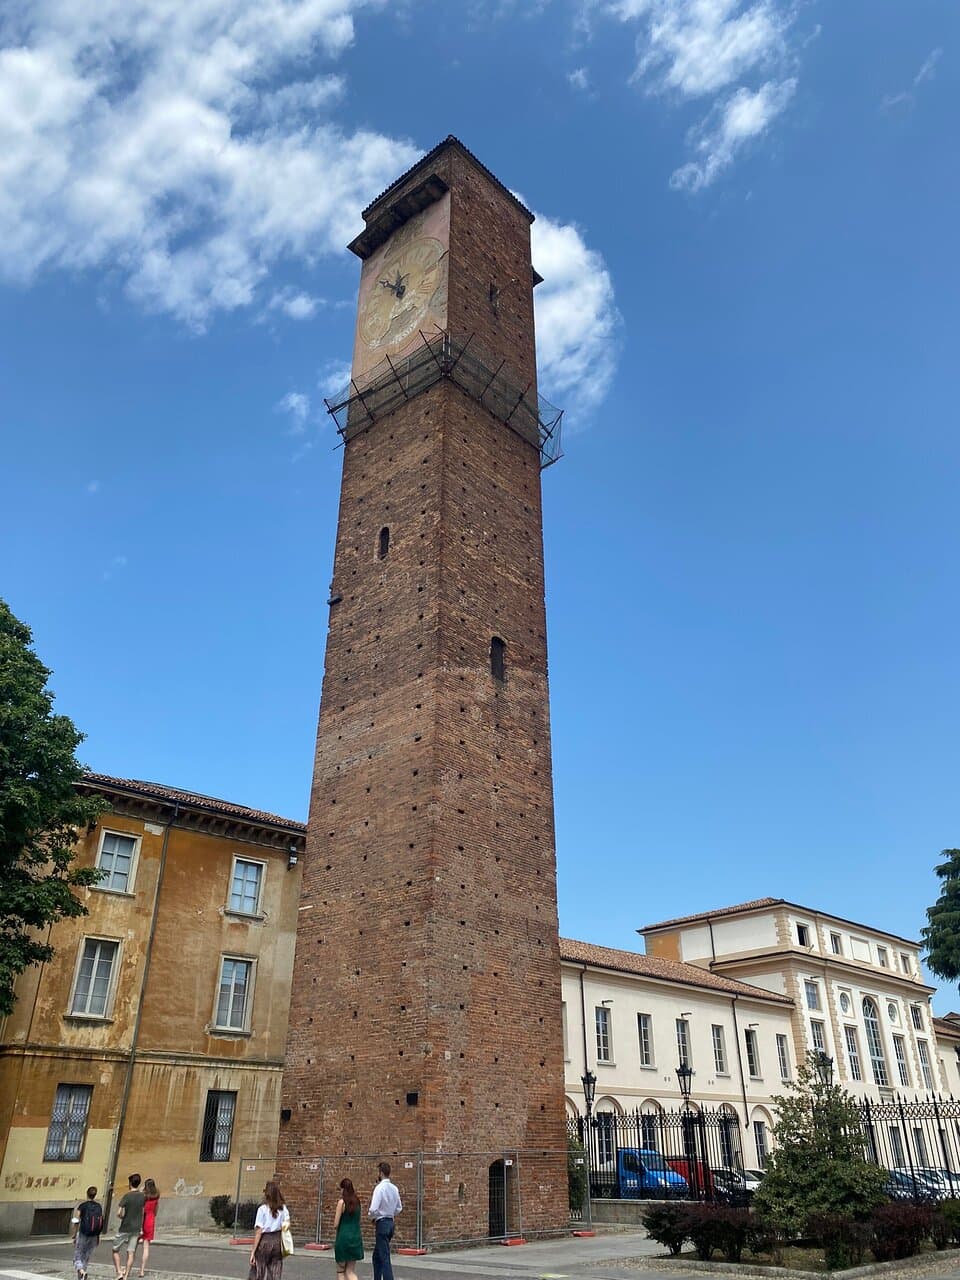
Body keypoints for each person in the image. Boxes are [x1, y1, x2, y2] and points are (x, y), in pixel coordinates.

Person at [368, 1161, 401, 1280]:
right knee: (377, 1255)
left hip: (382, 1223)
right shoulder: (394, 1188)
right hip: (390, 1222)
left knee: (384, 1256)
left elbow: (373, 1209)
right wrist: (390, 1212)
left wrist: (372, 1217)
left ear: (381, 1173)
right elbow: (399, 1208)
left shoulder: (379, 1188)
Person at [249, 1181, 289, 1280]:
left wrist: (253, 1252)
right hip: (277, 1240)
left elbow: (259, 1231)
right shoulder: (283, 1209)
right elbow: (287, 1225)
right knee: (275, 1271)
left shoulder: (262, 1209)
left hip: (265, 1240)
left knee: (258, 1270)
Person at [112, 1174, 146, 1280]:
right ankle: (126, 1275)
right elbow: (143, 1212)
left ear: (130, 1183)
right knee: (131, 1252)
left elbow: (119, 1213)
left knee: (115, 1250)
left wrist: (123, 1217)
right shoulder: (142, 1196)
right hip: (136, 1228)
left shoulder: (127, 1196)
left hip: (125, 1227)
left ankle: (119, 1272)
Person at [333, 1178, 363, 1280]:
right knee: (350, 1271)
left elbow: (336, 1224)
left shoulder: (342, 1203)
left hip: (343, 1238)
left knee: (341, 1271)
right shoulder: (357, 1202)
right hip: (355, 1237)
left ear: (343, 1189)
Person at [71, 1185, 103, 1280]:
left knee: (78, 1256)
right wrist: (98, 1236)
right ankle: (81, 1277)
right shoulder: (99, 1206)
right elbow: (100, 1222)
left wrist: (74, 1235)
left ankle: (81, 1272)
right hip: (94, 1235)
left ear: (87, 1194)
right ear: (95, 1195)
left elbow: (76, 1221)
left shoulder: (83, 1206)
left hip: (83, 1234)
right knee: (86, 1257)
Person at [134, 1178, 160, 1277]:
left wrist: (141, 1191)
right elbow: (156, 1211)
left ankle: (128, 1267)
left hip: (142, 1220)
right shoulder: (156, 1196)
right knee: (146, 1247)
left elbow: (140, 1209)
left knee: (134, 1245)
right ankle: (142, 1270)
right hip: (150, 1220)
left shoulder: (144, 1196)